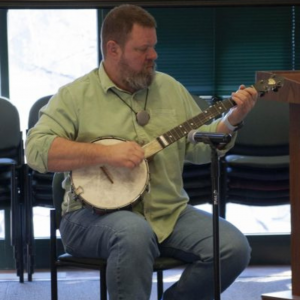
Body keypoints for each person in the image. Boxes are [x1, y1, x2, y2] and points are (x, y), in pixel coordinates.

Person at [26, 4, 257, 300]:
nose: (153, 56)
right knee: (134, 233)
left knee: (233, 248)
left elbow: (199, 150)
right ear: (113, 49)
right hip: (89, 217)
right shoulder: (75, 96)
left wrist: (231, 121)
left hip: (168, 213)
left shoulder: (170, 88)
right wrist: (106, 155)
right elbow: (36, 150)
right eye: (142, 49)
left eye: (154, 47)